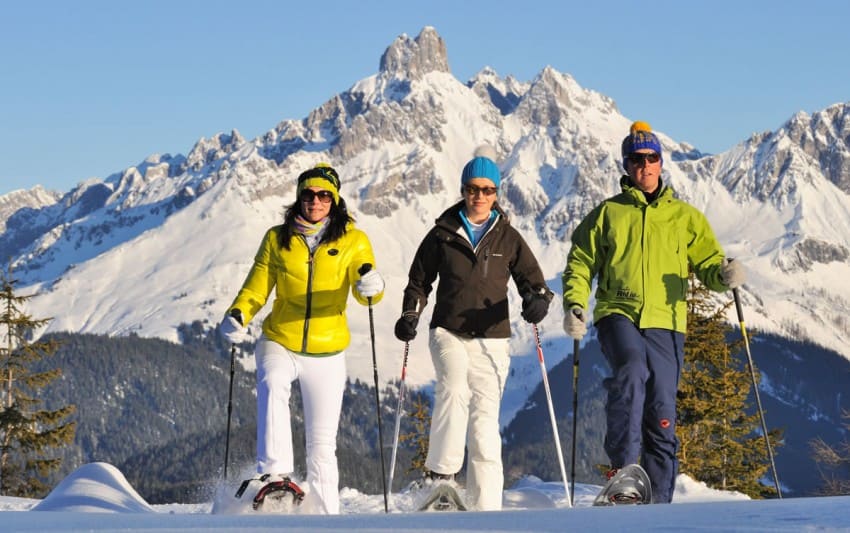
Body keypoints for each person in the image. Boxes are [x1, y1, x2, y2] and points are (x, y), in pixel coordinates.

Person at [561, 121, 746, 504]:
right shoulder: (608, 214)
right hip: (618, 312)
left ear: (661, 163)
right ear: (626, 166)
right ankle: (625, 473)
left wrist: (723, 274)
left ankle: (659, 502)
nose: (644, 166)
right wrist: (576, 303)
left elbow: (709, 263)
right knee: (631, 369)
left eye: (651, 158)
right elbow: (580, 262)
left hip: (667, 321)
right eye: (636, 159)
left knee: (662, 408)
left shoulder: (684, 217)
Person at [219, 163, 385, 514]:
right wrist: (238, 313)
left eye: (324, 195)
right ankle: (275, 475)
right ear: (299, 197)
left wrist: (372, 285)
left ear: (334, 200)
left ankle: (326, 516)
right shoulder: (277, 239)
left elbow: (363, 277)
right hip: (281, 339)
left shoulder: (353, 240)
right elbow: (256, 287)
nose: (315, 201)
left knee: (323, 445)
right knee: (272, 378)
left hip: (327, 350)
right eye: (308, 194)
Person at [393, 146, 553, 511]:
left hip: (493, 339)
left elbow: (534, 282)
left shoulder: (508, 237)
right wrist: (409, 315)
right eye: (472, 189)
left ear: (497, 194)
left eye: (487, 190)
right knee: (454, 386)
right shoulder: (442, 234)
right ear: (463, 189)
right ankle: (442, 479)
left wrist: (538, 301)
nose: (479, 196)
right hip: (447, 331)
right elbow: (418, 282)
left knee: (484, 423)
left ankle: (487, 507)